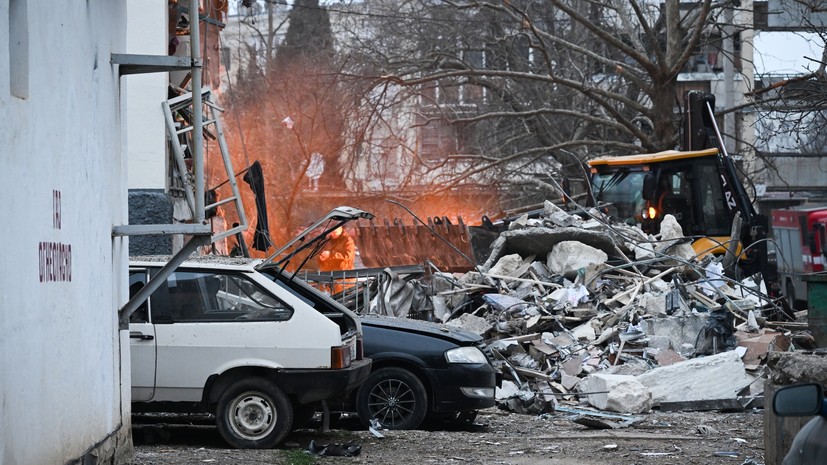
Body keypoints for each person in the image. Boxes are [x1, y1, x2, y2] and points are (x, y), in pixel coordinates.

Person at [318, 226, 356, 294]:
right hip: (331, 276)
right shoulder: (329, 240)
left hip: (344, 277)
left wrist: (330, 255)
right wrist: (322, 257)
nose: (332, 234)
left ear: (340, 229)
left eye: (334, 232)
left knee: (344, 299)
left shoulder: (348, 240)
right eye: (331, 232)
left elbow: (348, 256)